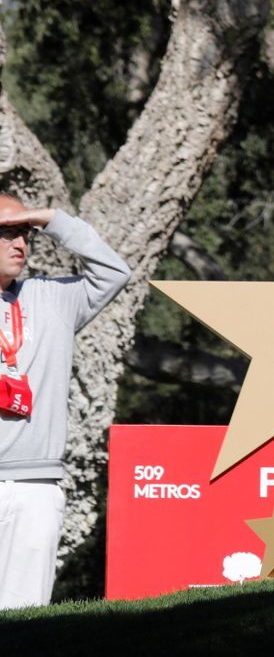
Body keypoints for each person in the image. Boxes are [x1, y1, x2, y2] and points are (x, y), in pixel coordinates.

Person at [0, 195, 131, 608]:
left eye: (26, 234)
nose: (20, 244)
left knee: (23, 623)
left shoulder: (52, 298)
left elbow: (114, 272)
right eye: (6, 233)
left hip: (36, 487)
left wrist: (52, 219)